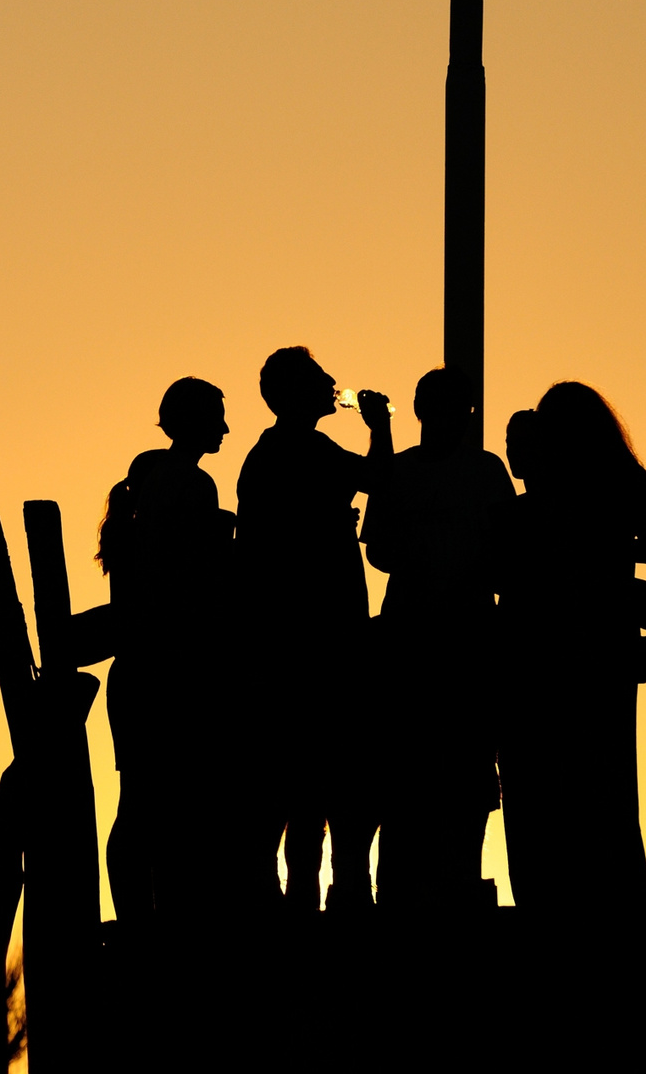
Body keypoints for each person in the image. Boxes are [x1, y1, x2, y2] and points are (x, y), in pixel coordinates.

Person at [491, 380, 646, 1070]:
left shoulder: (535, 506)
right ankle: (613, 913)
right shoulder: (624, 479)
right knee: (604, 790)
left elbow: (504, 572)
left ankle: (548, 916)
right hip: (601, 658)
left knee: (536, 794)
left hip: (535, 664)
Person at [235, 346, 391, 917]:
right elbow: (379, 478)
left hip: (287, 639)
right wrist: (381, 426)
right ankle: (315, 901)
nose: (331, 383)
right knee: (317, 775)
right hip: (317, 640)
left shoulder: (271, 454)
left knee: (296, 781)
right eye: (318, 377)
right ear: (297, 392)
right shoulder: (301, 449)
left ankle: (289, 897)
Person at [360, 367, 515, 914]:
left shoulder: (486, 471)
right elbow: (376, 546)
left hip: (467, 637)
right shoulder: (402, 474)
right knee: (407, 768)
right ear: (423, 410)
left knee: (468, 769)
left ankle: (459, 882)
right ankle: (401, 890)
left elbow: (507, 549)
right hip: (413, 637)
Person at [97, 377, 234, 922]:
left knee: (140, 801)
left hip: (141, 670)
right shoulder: (192, 487)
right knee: (169, 803)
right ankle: (158, 916)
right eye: (217, 416)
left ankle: (139, 913)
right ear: (193, 420)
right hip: (172, 670)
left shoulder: (154, 488)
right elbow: (197, 579)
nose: (225, 428)